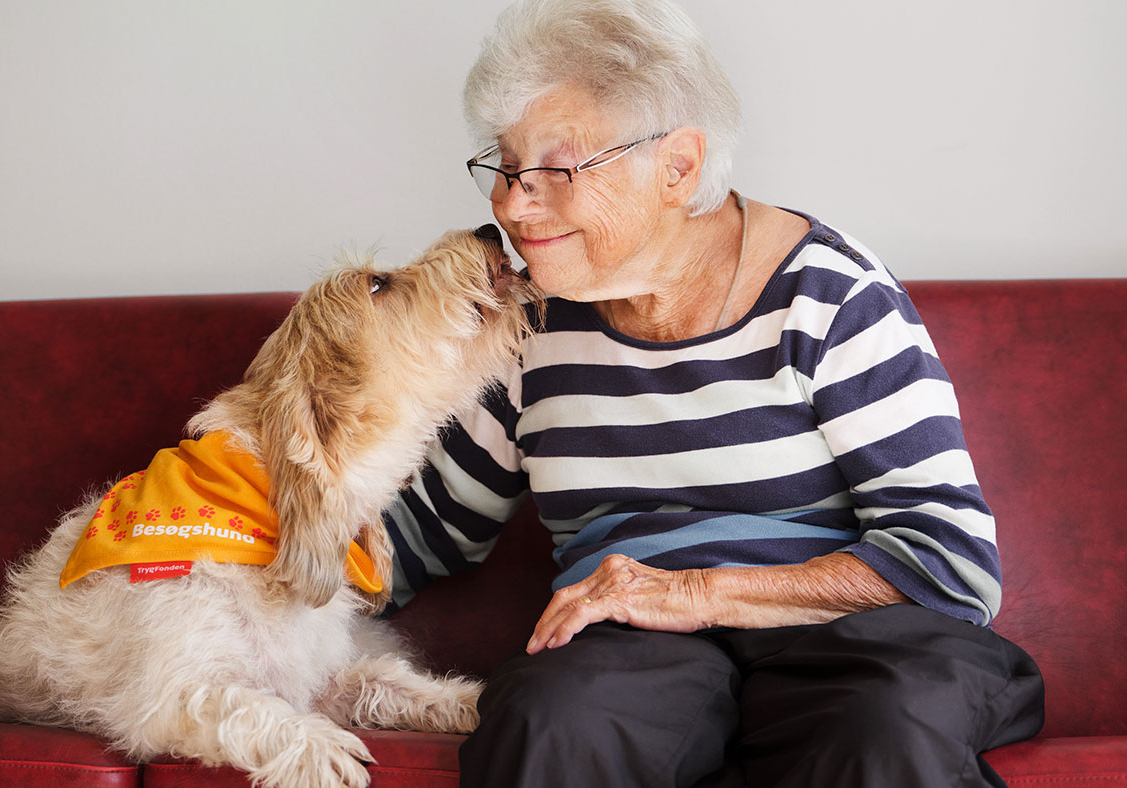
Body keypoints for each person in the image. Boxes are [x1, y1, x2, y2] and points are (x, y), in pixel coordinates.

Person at [380, 1, 1044, 785]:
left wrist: (698, 590)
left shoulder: (827, 295)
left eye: (555, 170)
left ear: (678, 168)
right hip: (632, 654)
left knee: (887, 729)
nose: (511, 205)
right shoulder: (528, 327)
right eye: (505, 164)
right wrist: (230, 547)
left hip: (857, 641)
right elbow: (423, 532)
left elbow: (950, 561)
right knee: (553, 725)